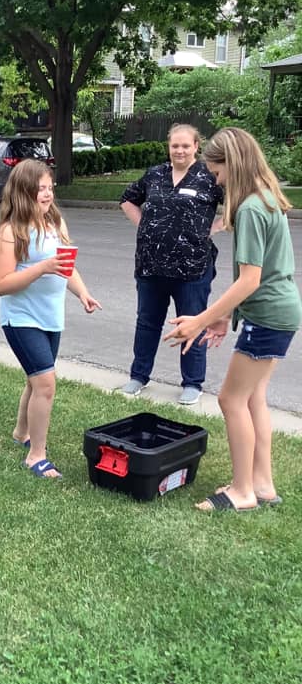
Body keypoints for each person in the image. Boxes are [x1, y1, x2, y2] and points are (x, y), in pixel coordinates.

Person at [164, 127, 302, 513]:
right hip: (276, 312)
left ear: (232, 164)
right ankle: (263, 484)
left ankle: (242, 491)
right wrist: (225, 317)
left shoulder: (251, 209)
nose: (216, 181)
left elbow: (251, 279)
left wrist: (201, 319)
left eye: (218, 173)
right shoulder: (265, 199)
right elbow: (260, 279)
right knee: (254, 397)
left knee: (231, 399)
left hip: (269, 316)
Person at [0, 158, 101, 480]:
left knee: (34, 380)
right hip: (21, 319)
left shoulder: (55, 223)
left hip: (51, 318)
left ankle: (20, 432)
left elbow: (65, 265)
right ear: (24, 191)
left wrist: (82, 292)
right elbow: (2, 285)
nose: (48, 194)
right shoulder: (10, 232)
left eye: (50, 188)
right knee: (45, 385)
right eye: (41, 189)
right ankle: (36, 455)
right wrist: (41, 267)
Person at [118, 124, 223, 405]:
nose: (179, 151)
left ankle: (192, 383)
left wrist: (212, 228)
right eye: (175, 146)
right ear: (169, 147)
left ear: (196, 147)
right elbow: (127, 199)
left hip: (192, 269)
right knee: (147, 323)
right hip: (151, 267)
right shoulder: (155, 174)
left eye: (185, 146)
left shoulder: (208, 177)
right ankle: (138, 376)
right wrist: (146, 226)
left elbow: (238, 204)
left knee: (193, 323)